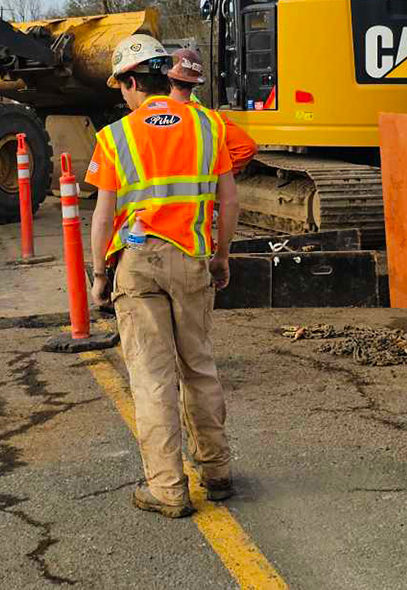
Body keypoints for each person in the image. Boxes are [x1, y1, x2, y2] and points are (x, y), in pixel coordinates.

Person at [87, 33, 240, 518]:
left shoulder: (115, 137)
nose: (123, 96)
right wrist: (221, 256)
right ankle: (216, 472)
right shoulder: (210, 128)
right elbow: (228, 200)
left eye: (122, 87)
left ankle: (169, 490)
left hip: (137, 265)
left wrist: (98, 275)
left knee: (153, 379)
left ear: (134, 81)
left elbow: (103, 214)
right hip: (192, 259)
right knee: (198, 367)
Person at [168, 48, 257, 172]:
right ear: (195, 83)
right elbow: (247, 147)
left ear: (167, 79)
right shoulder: (212, 119)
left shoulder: (150, 118)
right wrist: (219, 174)